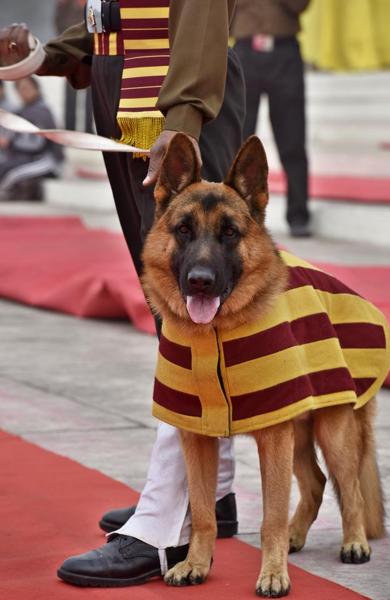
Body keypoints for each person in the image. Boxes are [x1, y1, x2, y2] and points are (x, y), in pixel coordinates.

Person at [0, 0, 244, 587]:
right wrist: (49, 55)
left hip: (171, 106)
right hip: (131, 95)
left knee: (191, 308)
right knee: (175, 306)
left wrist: (183, 119)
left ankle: (164, 523)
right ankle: (214, 492)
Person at [233, 0, 311, 237]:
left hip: (284, 51)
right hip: (244, 52)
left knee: (292, 140)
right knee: (239, 144)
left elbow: (300, 5)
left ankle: (298, 215)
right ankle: (234, 215)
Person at [0, 76, 64, 201]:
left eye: (27, 88)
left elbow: (37, 144)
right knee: (5, 166)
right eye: (20, 89)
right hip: (31, 157)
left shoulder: (42, 111)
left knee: (12, 174)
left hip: (48, 159)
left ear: (36, 88)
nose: (24, 92)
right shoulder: (25, 110)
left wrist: (10, 143)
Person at [54, 0, 93, 132]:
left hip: (89, 53)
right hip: (71, 52)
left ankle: (88, 129)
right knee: (70, 92)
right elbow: (58, 23)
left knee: (91, 94)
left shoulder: (94, 4)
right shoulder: (65, 5)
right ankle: (69, 128)